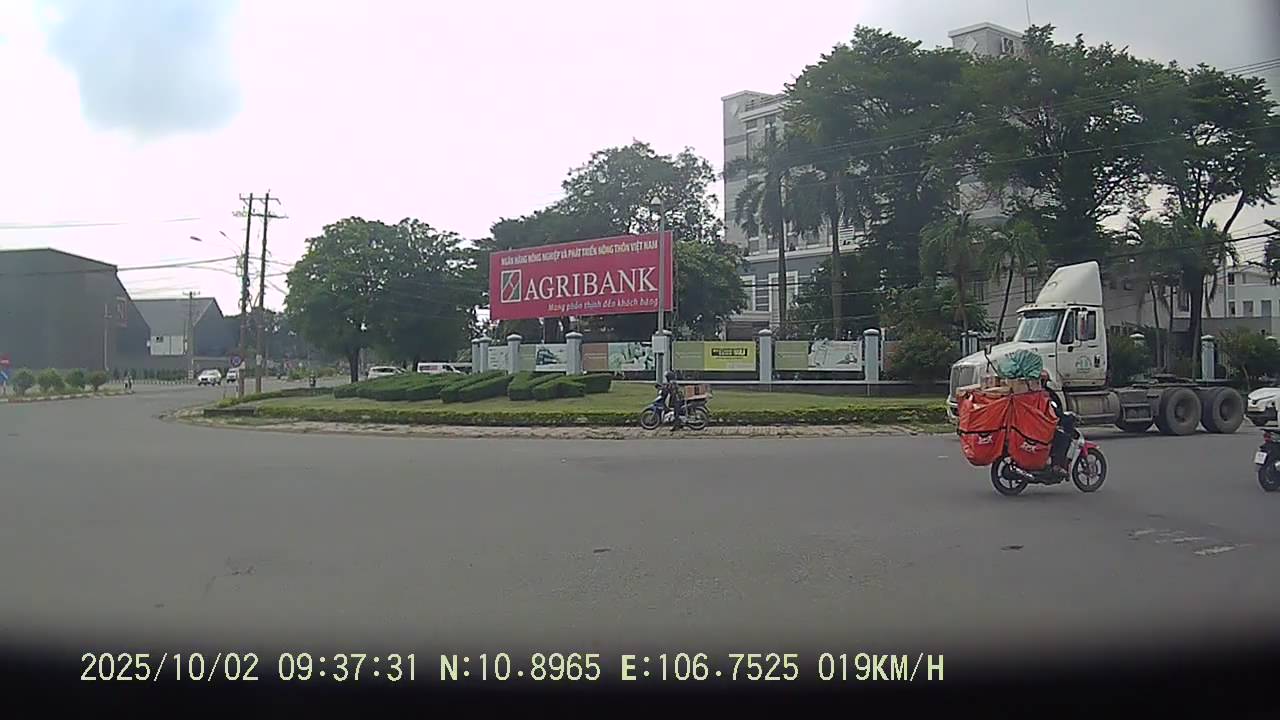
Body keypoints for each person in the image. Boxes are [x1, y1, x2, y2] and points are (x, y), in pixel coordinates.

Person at [1040, 370, 1071, 474]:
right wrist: (1065, 417)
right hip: (1043, 428)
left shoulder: (1038, 394)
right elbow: (1054, 412)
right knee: (1064, 438)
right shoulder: (1043, 395)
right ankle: (1056, 465)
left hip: (1039, 426)